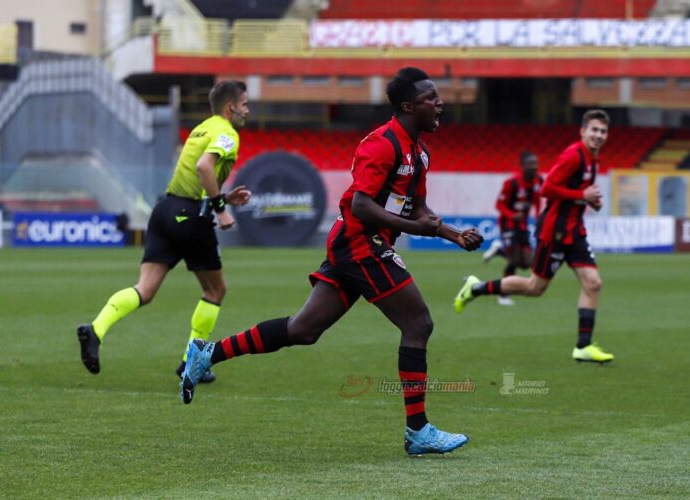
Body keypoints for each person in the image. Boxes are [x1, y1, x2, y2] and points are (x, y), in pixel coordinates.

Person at [179, 67, 484, 456]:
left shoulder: (419, 152)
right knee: (418, 323)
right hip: (361, 242)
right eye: (431, 98)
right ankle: (418, 431)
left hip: (356, 244)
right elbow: (361, 205)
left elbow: (419, 210)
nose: (440, 103)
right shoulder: (382, 144)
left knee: (304, 329)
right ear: (409, 106)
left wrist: (453, 235)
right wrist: (413, 228)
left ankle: (207, 353)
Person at [77, 80, 252, 381]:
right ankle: (191, 362)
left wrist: (223, 197)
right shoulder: (227, 133)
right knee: (215, 289)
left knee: (144, 289)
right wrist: (221, 209)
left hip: (165, 210)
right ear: (230, 107)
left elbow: (195, 174)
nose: (247, 110)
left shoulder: (202, 128)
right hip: (191, 217)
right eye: (245, 104)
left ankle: (96, 329)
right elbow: (204, 168)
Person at [454, 109, 614, 364]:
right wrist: (582, 197)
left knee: (593, 282)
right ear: (583, 131)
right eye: (594, 130)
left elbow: (575, 191)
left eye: (603, 131)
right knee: (534, 287)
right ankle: (475, 288)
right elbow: (548, 188)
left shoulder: (593, 159)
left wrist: (588, 202)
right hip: (555, 232)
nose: (599, 135)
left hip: (575, 230)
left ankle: (583, 346)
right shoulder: (574, 155)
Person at [481, 150, 544, 306]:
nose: (534, 167)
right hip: (508, 225)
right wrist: (511, 215)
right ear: (523, 166)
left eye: (536, 163)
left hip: (522, 226)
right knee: (514, 260)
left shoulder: (538, 181)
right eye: (531, 164)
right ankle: (503, 295)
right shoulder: (512, 183)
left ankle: (499, 250)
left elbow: (537, 200)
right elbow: (499, 205)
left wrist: (538, 218)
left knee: (527, 262)